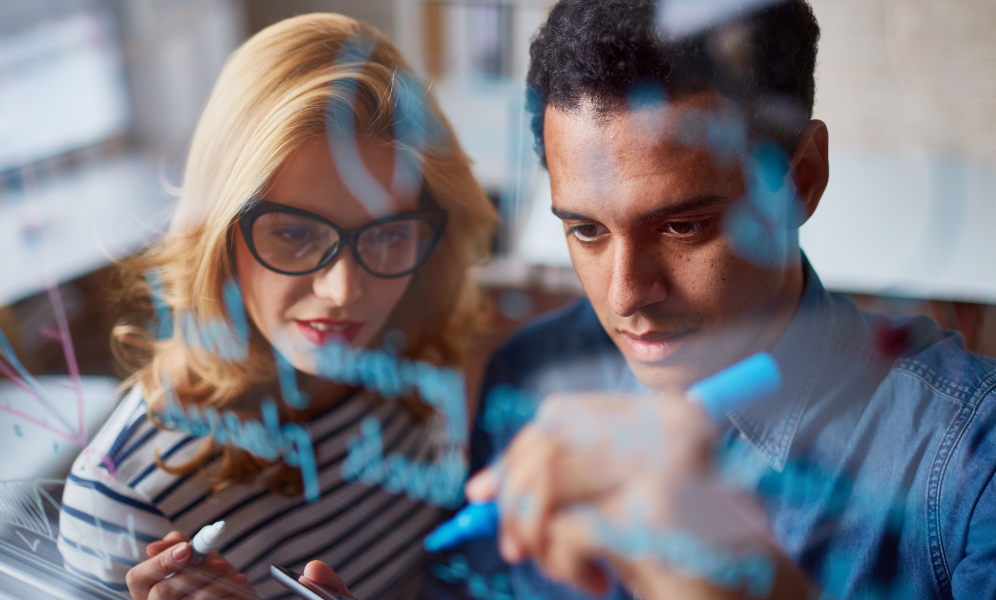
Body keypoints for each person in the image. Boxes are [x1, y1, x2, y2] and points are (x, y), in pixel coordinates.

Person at [301, 0, 996, 598]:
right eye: (585, 231)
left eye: (682, 225)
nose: (626, 294)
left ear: (802, 179)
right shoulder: (533, 374)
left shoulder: (970, 461)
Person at [56, 13, 497, 600]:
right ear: (217, 236)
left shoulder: (412, 367)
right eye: (294, 235)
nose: (343, 292)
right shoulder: (123, 503)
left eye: (389, 236)